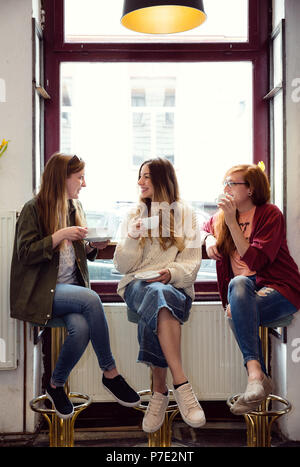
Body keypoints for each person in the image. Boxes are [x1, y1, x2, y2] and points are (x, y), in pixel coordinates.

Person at [10, 153, 140, 419]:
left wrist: (92, 246)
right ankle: (110, 372)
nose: (84, 183)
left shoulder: (74, 208)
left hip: (69, 292)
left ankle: (55, 385)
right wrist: (61, 235)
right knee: (91, 299)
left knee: (80, 328)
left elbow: (76, 253)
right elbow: (25, 253)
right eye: (79, 177)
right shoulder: (33, 209)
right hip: (41, 293)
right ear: (62, 178)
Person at [113, 157, 206, 433]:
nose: (139, 182)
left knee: (157, 299)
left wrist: (170, 273)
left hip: (174, 287)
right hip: (136, 286)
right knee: (154, 294)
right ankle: (182, 384)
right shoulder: (133, 215)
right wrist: (131, 236)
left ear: (163, 180)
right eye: (139, 177)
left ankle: (159, 392)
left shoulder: (186, 215)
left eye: (146, 177)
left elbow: (191, 265)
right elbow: (121, 267)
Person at [202, 163, 300, 415]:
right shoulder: (220, 219)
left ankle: (257, 378)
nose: (225, 189)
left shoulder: (270, 214)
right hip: (243, 293)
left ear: (251, 189)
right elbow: (202, 227)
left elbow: (255, 260)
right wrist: (209, 238)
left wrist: (233, 223)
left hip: (280, 289)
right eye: (224, 183)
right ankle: (257, 376)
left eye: (231, 183)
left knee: (236, 301)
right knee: (239, 286)